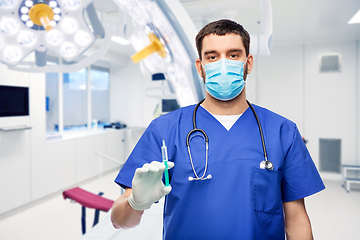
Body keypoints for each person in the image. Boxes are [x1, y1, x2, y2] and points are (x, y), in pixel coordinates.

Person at [110, 19, 325, 240]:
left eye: (233, 55)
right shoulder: (165, 130)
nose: (223, 64)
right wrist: (136, 203)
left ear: (248, 63)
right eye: (212, 56)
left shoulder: (282, 131)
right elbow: (119, 220)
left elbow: (296, 220)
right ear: (200, 66)